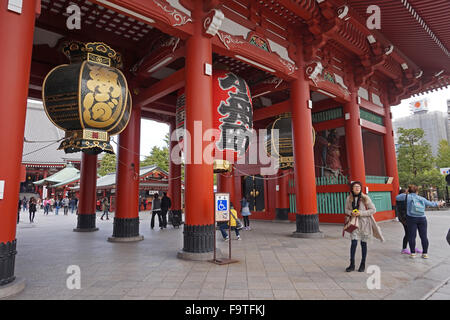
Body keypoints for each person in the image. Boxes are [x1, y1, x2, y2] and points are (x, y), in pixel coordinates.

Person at [396, 184, 444, 259]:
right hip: (422, 219)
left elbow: (397, 197)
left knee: (412, 236)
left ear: (409, 191)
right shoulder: (421, 198)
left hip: (411, 219)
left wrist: (406, 193)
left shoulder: (406, 197)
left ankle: (413, 253)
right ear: (417, 191)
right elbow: (431, 204)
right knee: (424, 236)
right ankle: (425, 254)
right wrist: (439, 203)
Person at [344, 181, 384, 272]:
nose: (357, 188)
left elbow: (373, 210)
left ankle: (363, 264)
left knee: (363, 244)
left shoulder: (365, 198)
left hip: (365, 224)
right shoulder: (349, 198)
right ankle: (352, 264)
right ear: (352, 188)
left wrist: (361, 213)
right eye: (355, 186)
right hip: (354, 223)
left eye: (358, 186)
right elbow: (346, 209)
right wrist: (351, 213)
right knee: (353, 243)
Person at [395, 188, 412, 254]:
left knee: (409, 233)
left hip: (403, 218)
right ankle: (404, 248)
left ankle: (410, 247)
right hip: (405, 218)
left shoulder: (401, 199)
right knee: (408, 233)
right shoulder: (403, 197)